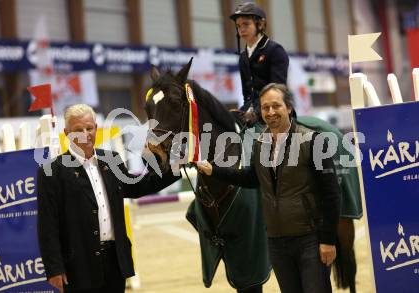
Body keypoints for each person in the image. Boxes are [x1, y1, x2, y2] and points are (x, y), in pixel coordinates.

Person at [197, 83, 340, 293]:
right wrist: (214, 171)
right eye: (265, 108)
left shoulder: (314, 141)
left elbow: (332, 194)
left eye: (276, 106)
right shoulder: (260, 143)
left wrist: (328, 240)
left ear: (289, 108)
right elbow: (252, 179)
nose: (271, 112)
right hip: (277, 242)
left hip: (310, 239)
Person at [37, 104, 179, 293]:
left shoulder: (112, 160)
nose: (85, 134)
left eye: (89, 128)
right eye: (78, 130)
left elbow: (136, 187)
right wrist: (54, 269)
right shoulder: (51, 171)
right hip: (77, 266)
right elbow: (47, 225)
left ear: (96, 128)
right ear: (66, 133)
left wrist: (176, 167)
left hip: (115, 261)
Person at [230, 2, 289, 119]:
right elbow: (247, 95)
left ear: (260, 24)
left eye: (246, 24)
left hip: (274, 110)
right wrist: (241, 112)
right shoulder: (242, 57)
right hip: (252, 112)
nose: (241, 29)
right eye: (238, 26)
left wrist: (256, 112)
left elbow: (277, 91)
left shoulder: (275, 50)